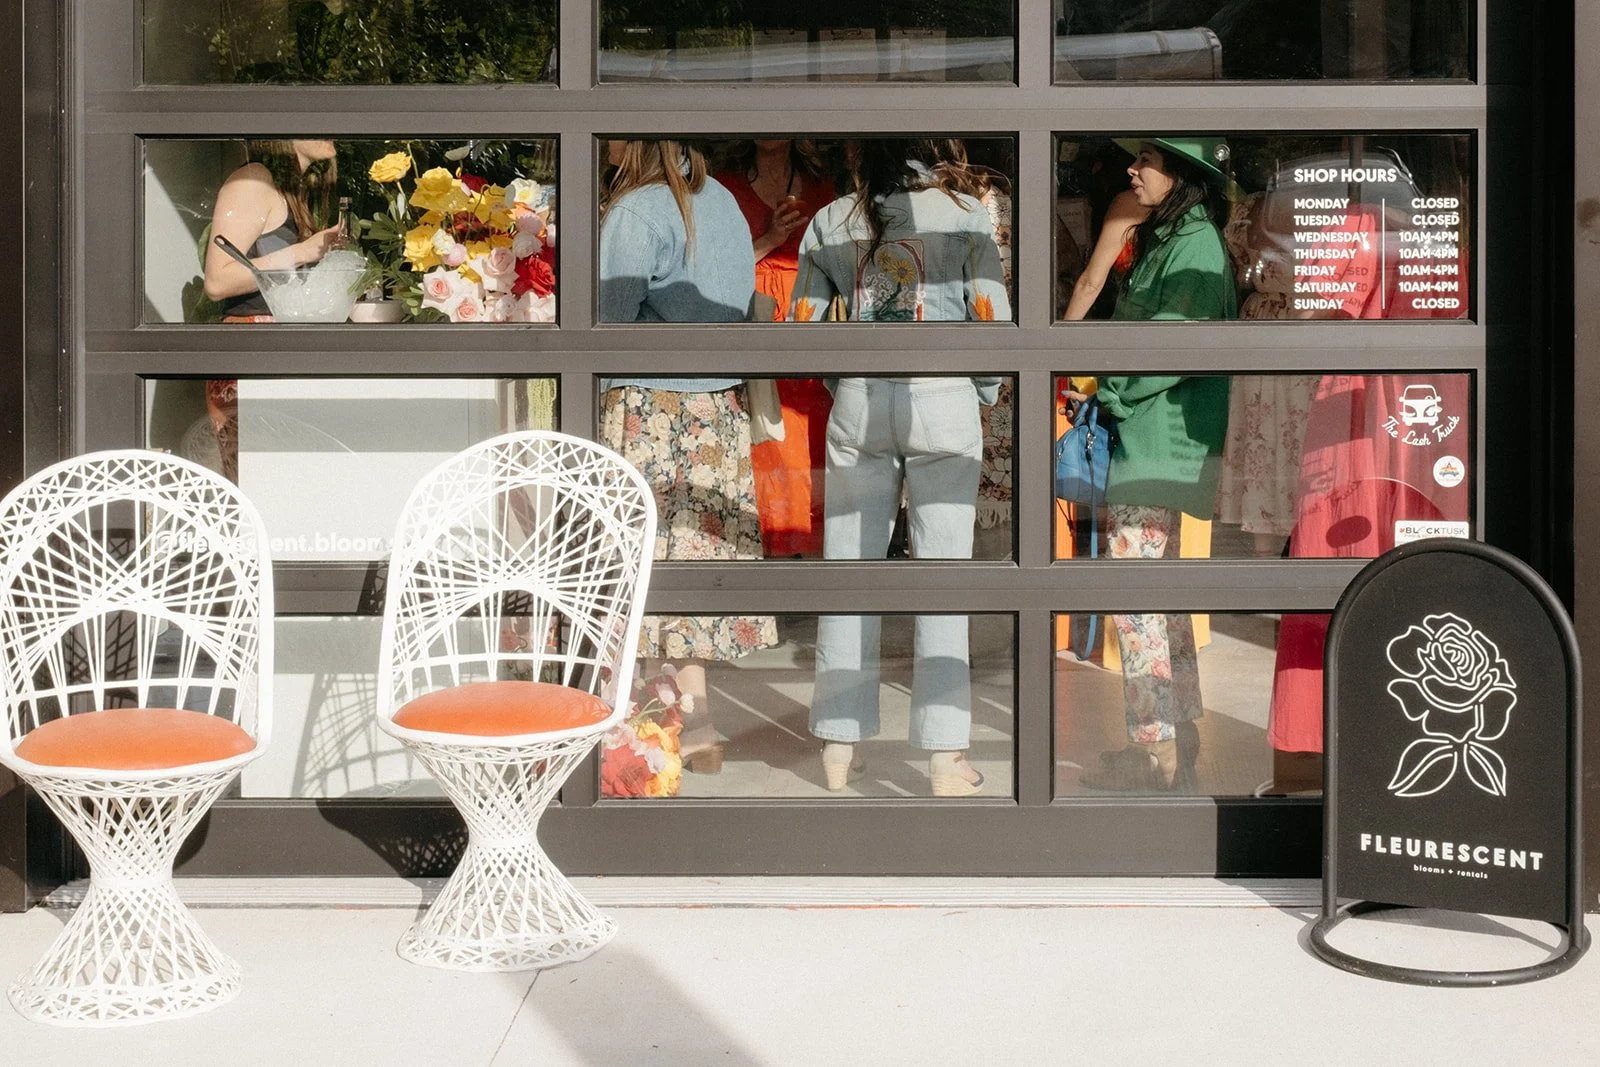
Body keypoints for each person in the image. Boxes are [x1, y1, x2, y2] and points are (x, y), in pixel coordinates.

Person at [789, 138, 1011, 797]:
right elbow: (992, 318)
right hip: (942, 397)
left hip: (859, 398)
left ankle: (838, 742)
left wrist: (848, 382)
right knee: (944, 576)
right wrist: (984, 389)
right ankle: (945, 757)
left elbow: (803, 324)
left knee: (848, 572)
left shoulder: (832, 218)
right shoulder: (968, 214)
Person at [596, 138, 771, 776]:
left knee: (638, 565)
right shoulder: (721, 200)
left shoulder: (639, 210)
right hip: (716, 411)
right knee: (687, 570)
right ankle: (697, 721)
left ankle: (646, 732)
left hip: (653, 409)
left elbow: (602, 326)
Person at [1068, 137, 1238, 792]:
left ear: (1183, 176)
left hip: (1158, 440)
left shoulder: (1192, 244)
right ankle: (1177, 735)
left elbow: (1169, 347)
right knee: (1158, 598)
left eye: (1148, 160)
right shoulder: (1178, 235)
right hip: (1156, 439)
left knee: (1135, 598)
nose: (1132, 168)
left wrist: (1104, 387)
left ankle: (1154, 750)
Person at [716, 140, 837, 558]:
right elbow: (717, 267)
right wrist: (771, 237)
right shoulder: (724, 187)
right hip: (753, 310)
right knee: (768, 435)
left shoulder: (821, 187)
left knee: (810, 433)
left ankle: (813, 546)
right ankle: (775, 546)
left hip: (809, 313)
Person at [200, 139, 344, 478]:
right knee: (257, 482)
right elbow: (217, 281)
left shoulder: (286, 189)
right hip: (253, 351)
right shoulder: (253, 180)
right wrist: (303, 253)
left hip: (270, 353)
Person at [1061, 188, 1147, 321]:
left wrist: (1061, 335)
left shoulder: (1135, 202)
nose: (1133, 169)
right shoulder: (1133, 202)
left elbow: (1090, 284)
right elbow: (1089, 284)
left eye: (1145, 165)